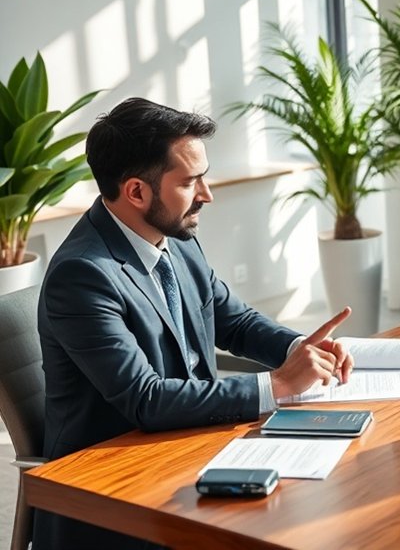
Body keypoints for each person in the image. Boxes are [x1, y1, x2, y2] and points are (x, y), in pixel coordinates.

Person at [34, 98, 356, 549]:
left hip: (191, 444)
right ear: (136, 192)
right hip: (116, 486)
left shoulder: (176, 240)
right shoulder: (83, 274)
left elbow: (235, 321)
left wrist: (301, 348)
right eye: (190, 182)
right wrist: (278, 384)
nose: (207, 194)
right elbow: (145, 399)